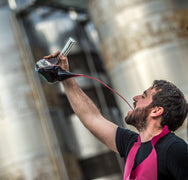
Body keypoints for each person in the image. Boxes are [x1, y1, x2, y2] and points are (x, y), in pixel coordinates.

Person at [43, 51, 188, 180]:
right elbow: (91, 118)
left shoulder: (174, 149)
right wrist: (65, 77)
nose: (135, 98)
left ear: (156, 111)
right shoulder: (131, 144)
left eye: (143, 96)